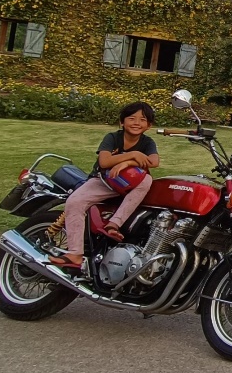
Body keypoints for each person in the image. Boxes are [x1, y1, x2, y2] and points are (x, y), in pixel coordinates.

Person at [50, 102, 160, 270]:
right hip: (103, 182)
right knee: (74, 201)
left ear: (149, 125)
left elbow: (154, 162)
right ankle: (74, 253)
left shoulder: (147, 142)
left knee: (147, 180)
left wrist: (128, 162)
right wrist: (133, 155)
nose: (137, 123)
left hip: (129, 185)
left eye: (142, 119)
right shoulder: (112, 138)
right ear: (122, 122)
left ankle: (114, 224)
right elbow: (104, 161)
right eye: (131, 118)